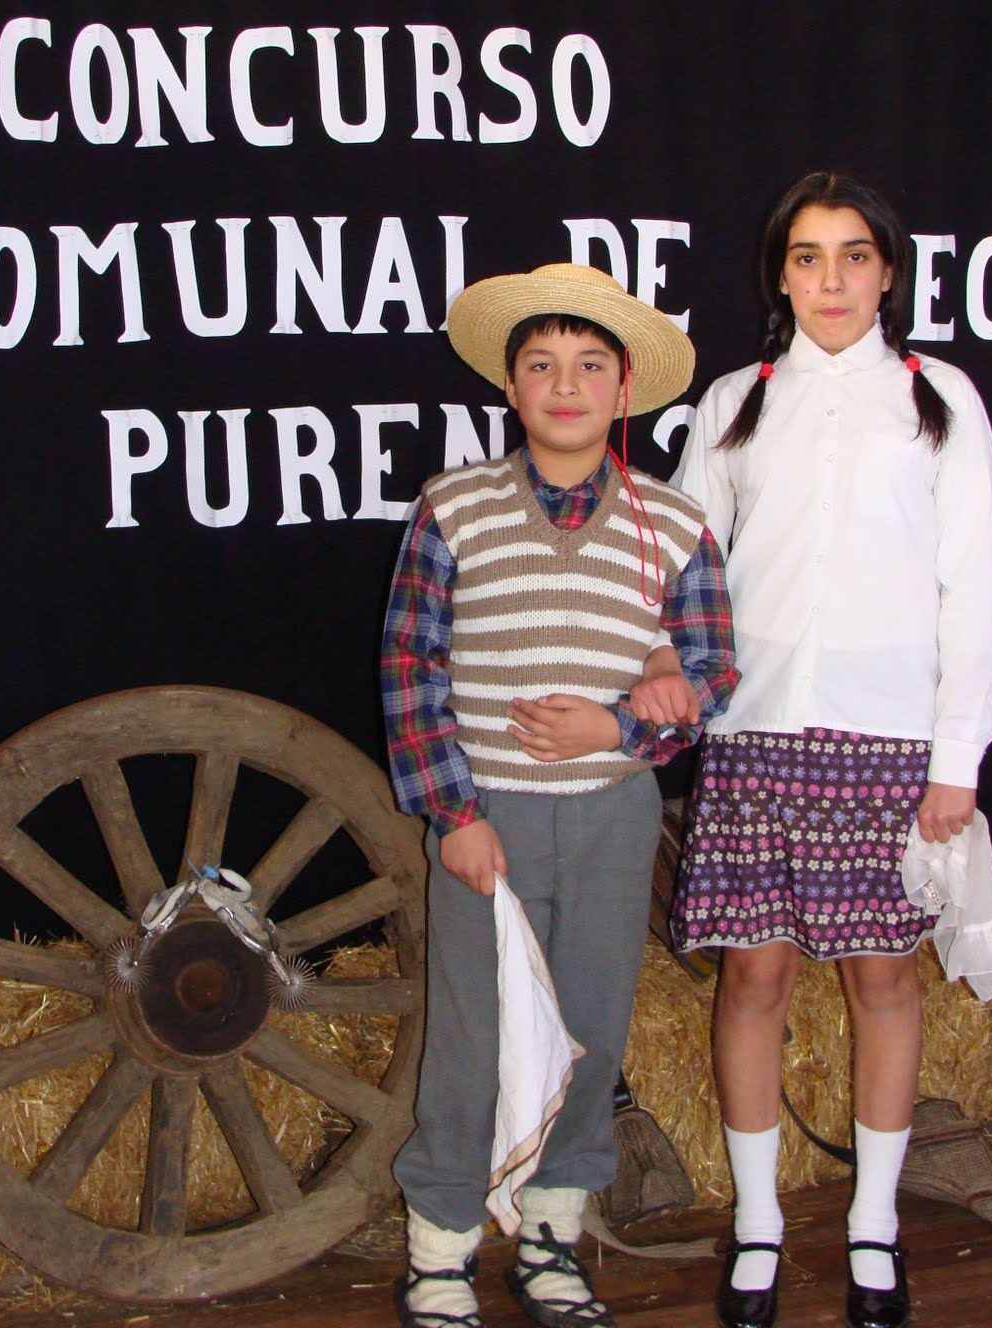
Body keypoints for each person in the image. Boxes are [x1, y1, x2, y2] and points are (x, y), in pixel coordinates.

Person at [664, 172, 992, 1328]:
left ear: (888, 271)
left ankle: (873, 1223)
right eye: (807, 257)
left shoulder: (939, 401)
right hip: (754, 733)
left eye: (854, 255)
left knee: (884, 979)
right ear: (781, 274)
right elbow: (685, 569)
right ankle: (759, 1224)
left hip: (888, 740)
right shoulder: (734, 403)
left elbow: (974, 592)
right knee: (752, 977)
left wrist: (956, 757)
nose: (831, 280)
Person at [382, 262, 739, 1328]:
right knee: (470, 1035)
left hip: (610, 817)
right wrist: (453, 813)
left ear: (624, 389)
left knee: (590, 1026)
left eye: (590, 366)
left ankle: (551, 1236)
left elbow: (712, 675)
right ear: (510, 385)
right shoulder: (453, 508)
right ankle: (440, 1247)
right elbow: (411, 665)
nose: (567, 385)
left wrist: (624, 725)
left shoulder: (673, 525)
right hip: (486, 817)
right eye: (542, 365)